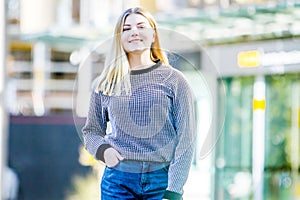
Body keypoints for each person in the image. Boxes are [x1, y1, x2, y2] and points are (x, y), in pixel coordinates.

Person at [81, 7, 196, 200]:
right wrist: (104, 151)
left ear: (153, 35)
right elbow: (91, 131)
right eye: (126, 28)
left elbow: (186, 139)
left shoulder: (175, 80)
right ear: (120, 38)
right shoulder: (105, 83)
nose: (134, 31)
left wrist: (174, 190)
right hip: (118, 181)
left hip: (161, 181)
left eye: (141, 26)